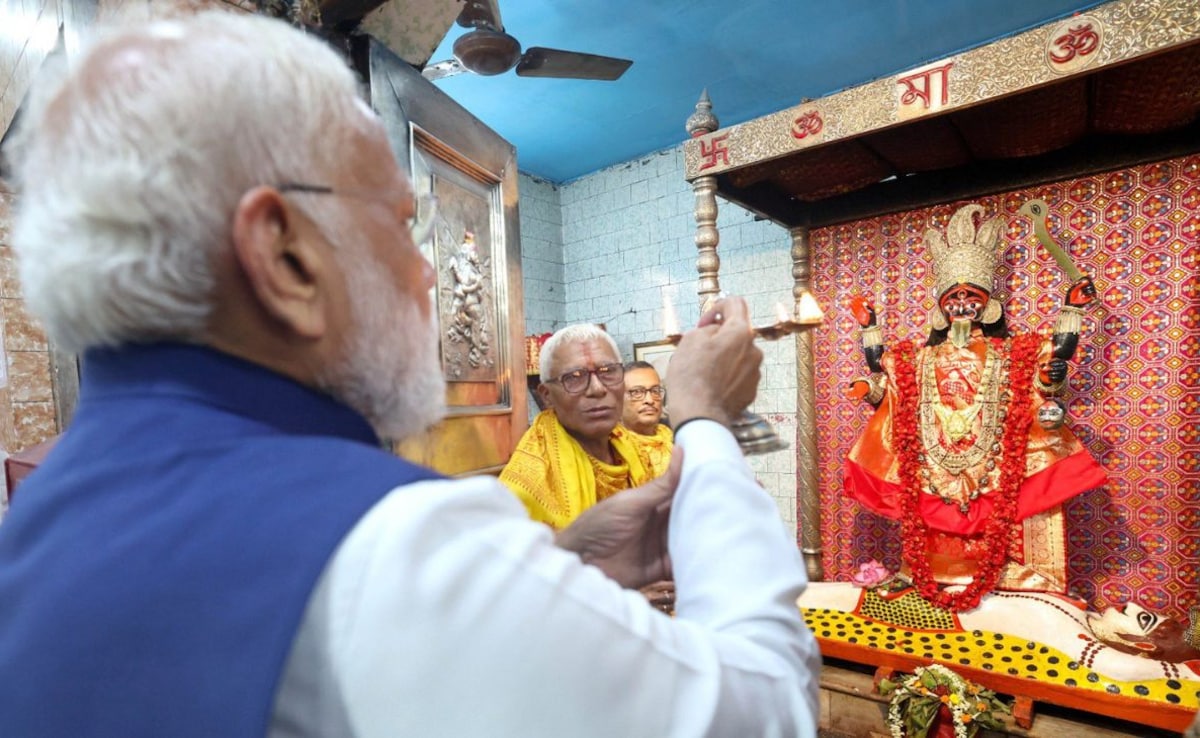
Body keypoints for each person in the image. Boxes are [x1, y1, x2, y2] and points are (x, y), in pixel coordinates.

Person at [0, 11, 819, 738]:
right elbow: (768, 705)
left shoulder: (36, 527)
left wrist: (555, 572)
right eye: (399, 224)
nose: (432, 278)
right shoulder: (386, 542)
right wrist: (705, 417)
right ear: (285, 256)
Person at [843, 203, 1107, 612]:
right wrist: (869, 327)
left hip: (997, 456)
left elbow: (1054, 360)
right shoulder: (919, 357)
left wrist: (1071, 308)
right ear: (941, 307)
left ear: (989, 304)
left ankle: (1024, 582)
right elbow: (884, 369)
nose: (962, 304)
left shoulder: (1013, 351)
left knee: (1022, 494)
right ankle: (929, 577)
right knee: (924, 509)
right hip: (935, 457)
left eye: (972, 296)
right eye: (954, 297)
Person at [501, 325, 670, 529]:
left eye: (608, 372)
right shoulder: (527, 486)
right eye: (574, 377)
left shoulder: (640, 451)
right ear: (547, 396)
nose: (597, 389)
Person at [622, 360, 674, 455]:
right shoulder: (610, 449)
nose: (650, 400)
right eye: (637, 392)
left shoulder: (679, 439)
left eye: (655, 391)